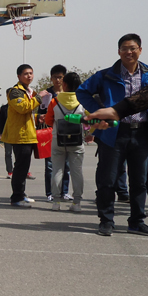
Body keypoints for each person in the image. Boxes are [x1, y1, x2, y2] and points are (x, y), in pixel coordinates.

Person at [77, 34, 148, 237]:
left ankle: (137, 221)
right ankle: (106, 220)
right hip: (113, 132)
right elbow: (82, 92)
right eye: (124, 48)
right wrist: (100, 111)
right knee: (107, 179)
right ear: (118, 51)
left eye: (133, 48)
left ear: (140, 50)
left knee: (139, 180)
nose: (128, 52)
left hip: (142, 133)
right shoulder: (106, 75)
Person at [0, 64, 48, 207]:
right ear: (19, 76)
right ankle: (16, 197)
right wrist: (39, 97)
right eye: (26, 73)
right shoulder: (15, 92)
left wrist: (38, 117)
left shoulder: (29, 91)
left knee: (24, 167)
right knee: (20, 167)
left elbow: (27, 114)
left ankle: (21, 194)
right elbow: (23, 108)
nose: (29, 76)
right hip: (20, 136)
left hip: (28, 134)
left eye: (31, 73)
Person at [44, 72, 86, 212]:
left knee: (57, 170)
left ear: (65, 84)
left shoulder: (55, 101)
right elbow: (89, 120)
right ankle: (77, 203)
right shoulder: (82, 101)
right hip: (77, 140)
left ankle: (56, 201)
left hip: (58, 139)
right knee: (77, 171)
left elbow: (48, 121)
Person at [38, 65, 71, 201]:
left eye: (60, 77)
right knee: (50, 165)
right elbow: (40, 112)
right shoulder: (46, 95)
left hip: (67, 131)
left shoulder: (69, 93)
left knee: (67, 164)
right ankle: (50, 192)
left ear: (64, 78)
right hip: (50, 132)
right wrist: (41, 117)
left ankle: (64, 191)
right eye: (55, 77)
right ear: (51, 78)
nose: (58, 80)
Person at [0, 100, 14, 178]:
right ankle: (10, 171)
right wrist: (0, 133)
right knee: (8, 153)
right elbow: (0, 121)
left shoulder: (17, 107)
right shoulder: (4, 108)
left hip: (17, 133)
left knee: (19, 153)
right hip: (7, 133)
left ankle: (19, 170)